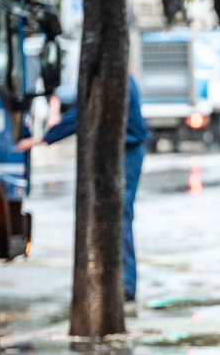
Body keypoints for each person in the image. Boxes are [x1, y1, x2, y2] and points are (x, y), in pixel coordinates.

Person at [17, 75, 149, 302]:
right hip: (123, 147)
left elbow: (82, 115)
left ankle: (125, 286)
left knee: (120, 214)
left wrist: (44, 139)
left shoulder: (112, 77)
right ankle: (117, 283)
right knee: (113, 215)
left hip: (128, 148)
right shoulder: (112, 75)